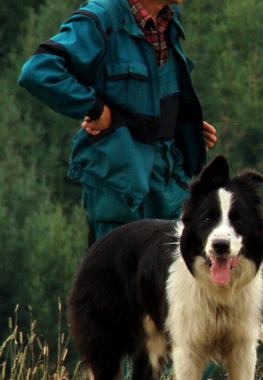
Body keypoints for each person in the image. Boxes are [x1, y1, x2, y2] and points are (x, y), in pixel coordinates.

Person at [18, 0, 218, 246]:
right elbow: (38, 71)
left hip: (169, 182)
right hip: (120, 184)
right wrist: (95, 109)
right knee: (119, 280)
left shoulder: (169, 15)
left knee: (171, 280)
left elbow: (152, 89)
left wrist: (181, 123)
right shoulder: (100, 18)